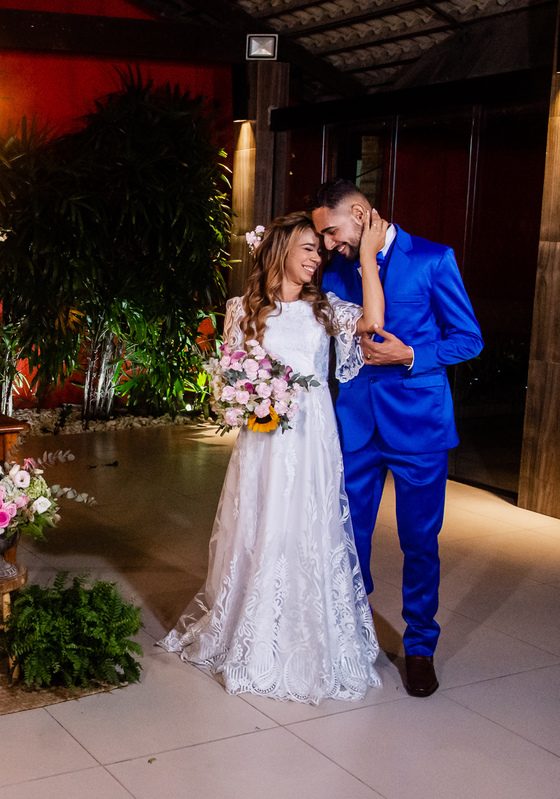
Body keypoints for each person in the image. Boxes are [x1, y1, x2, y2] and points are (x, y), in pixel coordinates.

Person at [159, 210, 386, 704]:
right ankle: (253, 630)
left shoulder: (326, 307)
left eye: (320, 251)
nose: (318, 258)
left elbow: (373, 323)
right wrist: (246, 398)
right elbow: (227, 380)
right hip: (264, 436)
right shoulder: (242, 308)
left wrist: (367, 256)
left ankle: (309, 634)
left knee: (309, 523)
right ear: (281, 250)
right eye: (309, 248)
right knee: (261, 523)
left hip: (313, 434)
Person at [310, 178, 483, 698]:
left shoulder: (433, 258)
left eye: (335, 233)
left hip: (419, 425)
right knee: (349, 536)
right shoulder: (339, 271)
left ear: (361, 214)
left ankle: (421, 647)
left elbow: (469, 339)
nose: (330, 247)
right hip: (356, 423)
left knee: (420, 541)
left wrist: (410, 356)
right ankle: (356, 636)